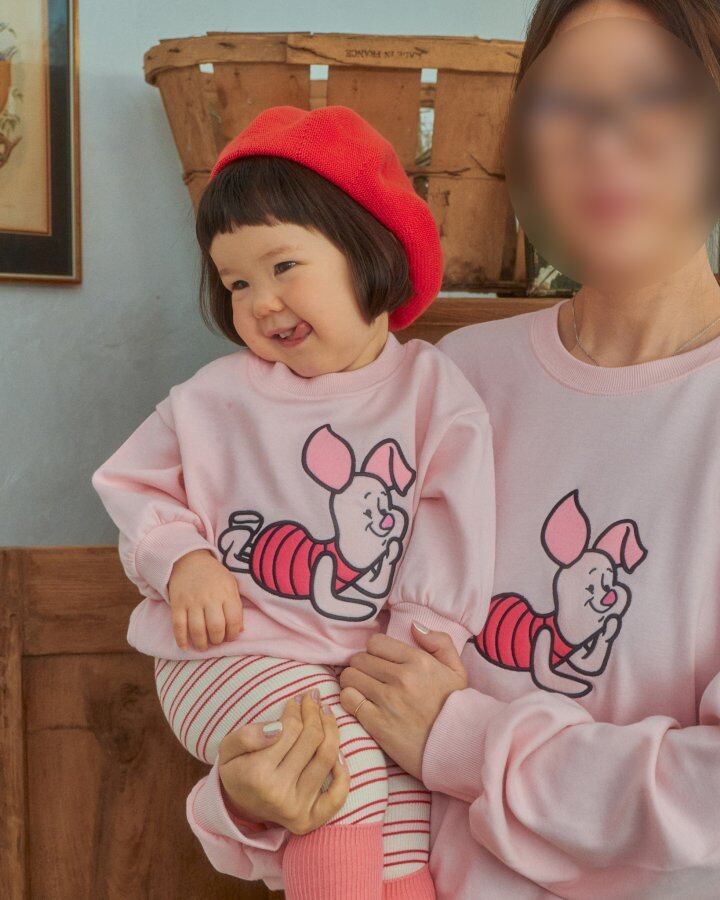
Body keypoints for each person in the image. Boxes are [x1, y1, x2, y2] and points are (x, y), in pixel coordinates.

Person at [186, 1, 720, 897]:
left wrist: (463, 739)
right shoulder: (447, 378)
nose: (603, 140)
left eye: (655, 92)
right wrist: (241, 802)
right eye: (565, 102)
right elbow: (311, 655)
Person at [90, 104, 496, 899]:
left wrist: (414, 653)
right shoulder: (218, 398)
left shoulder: (432, 393)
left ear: (368, 249)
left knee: (408, 808)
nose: (261, 301)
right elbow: (133, 484)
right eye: (237, 282)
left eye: (282, 267)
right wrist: (184, 560)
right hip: (223, 657)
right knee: (338, 774)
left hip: (355, 673)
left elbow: (454, 529)